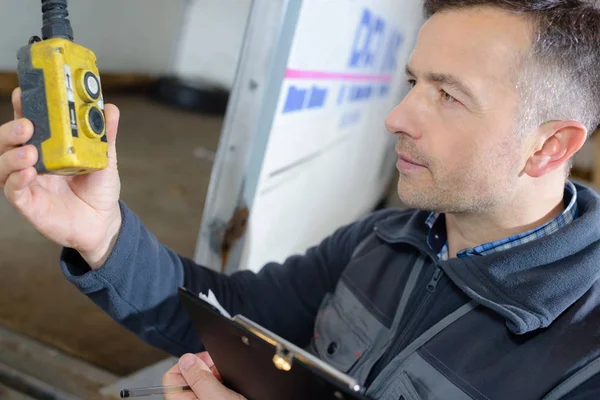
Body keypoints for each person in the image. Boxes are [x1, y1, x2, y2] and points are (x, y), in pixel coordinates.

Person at [1, 0, 600, 398]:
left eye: (449, 96)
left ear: (550, 145)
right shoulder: (382, 238)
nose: (397, 117)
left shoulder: (584, 357)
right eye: (415, 81)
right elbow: (231, 313)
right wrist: (103, 237)